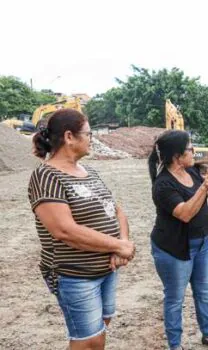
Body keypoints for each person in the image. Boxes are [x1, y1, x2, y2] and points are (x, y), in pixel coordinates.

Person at [28, 109, 136, 350]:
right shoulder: (46, 176)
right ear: (69, 137)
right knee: (89, 340)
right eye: (88, 134)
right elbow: (64, 230)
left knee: (99, 328)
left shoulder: (91, 173)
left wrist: (122, 244)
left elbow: (116, 210)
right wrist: (119, 245)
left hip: (107, 269)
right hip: (74, 274)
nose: (92, 139)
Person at [148, 130, 208, 350]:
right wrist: (203, 188)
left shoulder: (192, 172)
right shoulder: (163, 185)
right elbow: (185, 213)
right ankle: (175, 345)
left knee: (204, 291)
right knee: (175, 299)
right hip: (174, 249)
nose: (193, 151)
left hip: (202, 243)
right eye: (189, 148)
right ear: (177, 156)